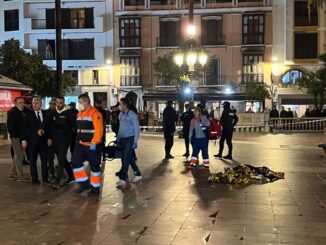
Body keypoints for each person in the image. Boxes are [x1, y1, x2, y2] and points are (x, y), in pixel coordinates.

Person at [71, 94, 104, 196]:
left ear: (86, 102)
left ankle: (95, 188)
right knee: (75, 163)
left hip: (92, 145)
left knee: (94, 166)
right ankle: (84, 183)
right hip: (80, 144)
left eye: (80, 102)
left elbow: (99, 130)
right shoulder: (80, 113)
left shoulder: (95, 113)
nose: (79, 104)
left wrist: (95, 142)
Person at [25, 98, 53, 184]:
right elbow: (24, 128)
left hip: (44, 142)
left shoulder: (46, 113)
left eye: (36, 103)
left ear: (41, 104)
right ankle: (35, 179)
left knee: (44, 161)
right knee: (33, 161)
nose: (34, 105)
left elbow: (49, 127)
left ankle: (45, 178)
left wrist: (50, 138)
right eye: (33, 103)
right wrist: (23, 140)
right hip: (32, 142)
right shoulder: (28, 114)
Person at [115, 98, 142, 187]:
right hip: (123, 139)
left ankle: (122, 178)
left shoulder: (132, 115)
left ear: (125, 105)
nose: (120, 106)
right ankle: (137, 174)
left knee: (125, 158)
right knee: (128, 158)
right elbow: (120, 128)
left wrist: (135, 141)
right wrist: (118, 138)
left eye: (121, 104)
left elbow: (136, 129)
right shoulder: (121, 115)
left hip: (130, 138)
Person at [51, 97, 76, 189]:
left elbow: (74, 127)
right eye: (57, 102)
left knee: (61, 160)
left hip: (65, 140)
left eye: (60, 103)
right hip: (55, 140)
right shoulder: (53, 112)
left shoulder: (69, 113)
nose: (58, 104)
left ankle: (58, 181)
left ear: (64, 103)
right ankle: (71, 175)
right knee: (62, 159)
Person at [7, 97, 30, 182]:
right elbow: (10, 127)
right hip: (16, 137)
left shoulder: (22, 111)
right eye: (19, 103)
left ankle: (12, 174)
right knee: (19, 155)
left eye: (23, 102)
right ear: (15, 103)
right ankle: (20, 176)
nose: (22, 104)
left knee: (17, 155)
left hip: (21, 137)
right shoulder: (13, 112)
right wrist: (17, 138)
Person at [46, 98, 57, 180]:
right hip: (50, 139)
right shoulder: (46, 112)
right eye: (51, 103)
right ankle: (51, 173)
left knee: (61, 157)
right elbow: (46, 127)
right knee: (50, 158)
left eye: (54, 103)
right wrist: (49, 138)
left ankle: (61, 172)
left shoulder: (59, 112)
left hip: (58, 139)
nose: (52, 105)